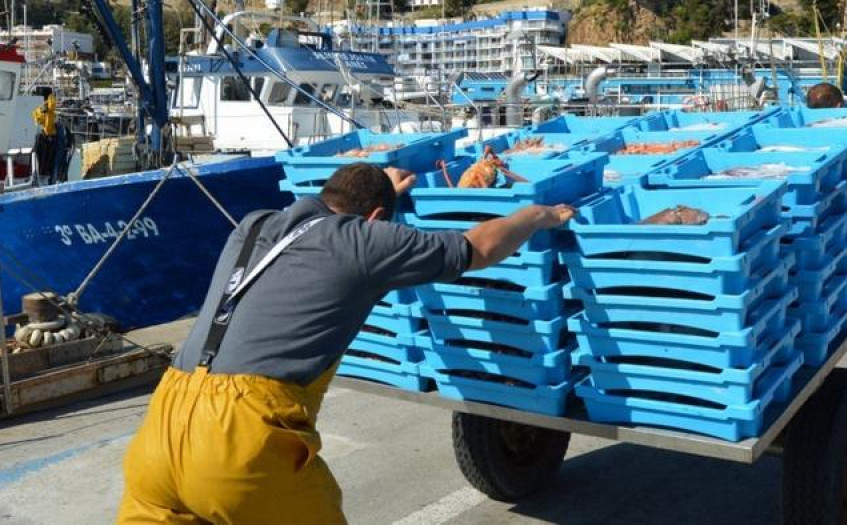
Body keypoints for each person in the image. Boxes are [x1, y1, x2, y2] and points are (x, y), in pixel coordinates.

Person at [117, 162, 576, 524]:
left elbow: (324, 227)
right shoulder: (363, 241)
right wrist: (537, 216)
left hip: (161, 429)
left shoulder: (253, 225)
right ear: (375, 220)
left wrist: (379, 195)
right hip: (238, 442)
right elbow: (480, 248)